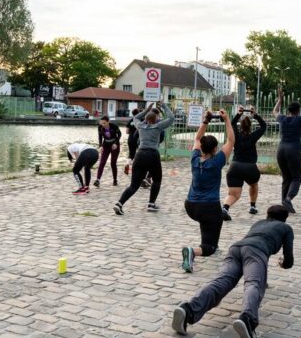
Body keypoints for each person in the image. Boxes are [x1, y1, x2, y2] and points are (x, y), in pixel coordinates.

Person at [172, 205, 294, 338]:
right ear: (285, 219)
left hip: (236, 249)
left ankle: (188, 310)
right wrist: (282, 263)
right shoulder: (286, 228)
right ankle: (247, 319)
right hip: (256, 252)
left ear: (267, 215)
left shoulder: (258, 223)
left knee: (221, 282)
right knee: (253, 284)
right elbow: (288, 260)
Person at [181, 109, 235, 272]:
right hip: (209, 207)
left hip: (190, 206)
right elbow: (231, 140)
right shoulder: (217, 161)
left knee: (208, 225)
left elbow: (197, 137)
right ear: (214, 150)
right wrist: (226, 120)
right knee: (209, 247)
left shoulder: (194, 159)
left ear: (202, 147)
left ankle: (210, 242)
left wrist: (206, 120)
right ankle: (194, 252)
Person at [113, 102, 173, 215]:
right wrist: (164, 106)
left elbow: (135, 117)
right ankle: (151, 204)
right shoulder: (158, 126)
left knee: (134, 185)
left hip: (140, 154)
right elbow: (171, 118)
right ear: (156, 119)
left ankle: (119, 203)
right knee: (157, 180)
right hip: (152, 154)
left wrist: (146, 110)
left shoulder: (140, 126)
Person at [223, 105, 267, 217]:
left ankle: (225, 208)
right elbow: (263, 126)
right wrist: (255, 115)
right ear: (250, 126)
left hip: (235, 166)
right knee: (253, 185)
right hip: (250, 167)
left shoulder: (236, 136)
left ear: (240, 126)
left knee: (234, 194)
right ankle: (252, 206)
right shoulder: (253, 136)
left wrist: (239, 114)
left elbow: (232, 124)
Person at [94, 116, 122, 187]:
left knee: (113, 163)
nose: (103, 125)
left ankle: (115, 179)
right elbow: (100, 137)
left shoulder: (114, 126)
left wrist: (116, 143)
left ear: (108, 121)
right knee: (102, 162)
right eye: (101, 123)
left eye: (104, 123)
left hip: (114, 146)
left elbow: (119, 134)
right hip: (106, 145)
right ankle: (98, 180)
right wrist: (100, 146)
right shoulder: (100, 127)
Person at [124, 108, 140, 176]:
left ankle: (127, 164)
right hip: (139, 139)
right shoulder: (141, 120)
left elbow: (127, 132)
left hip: (131, 139)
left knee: (131, 154)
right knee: (140, 154)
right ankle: (137, 168)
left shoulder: (130, 120)